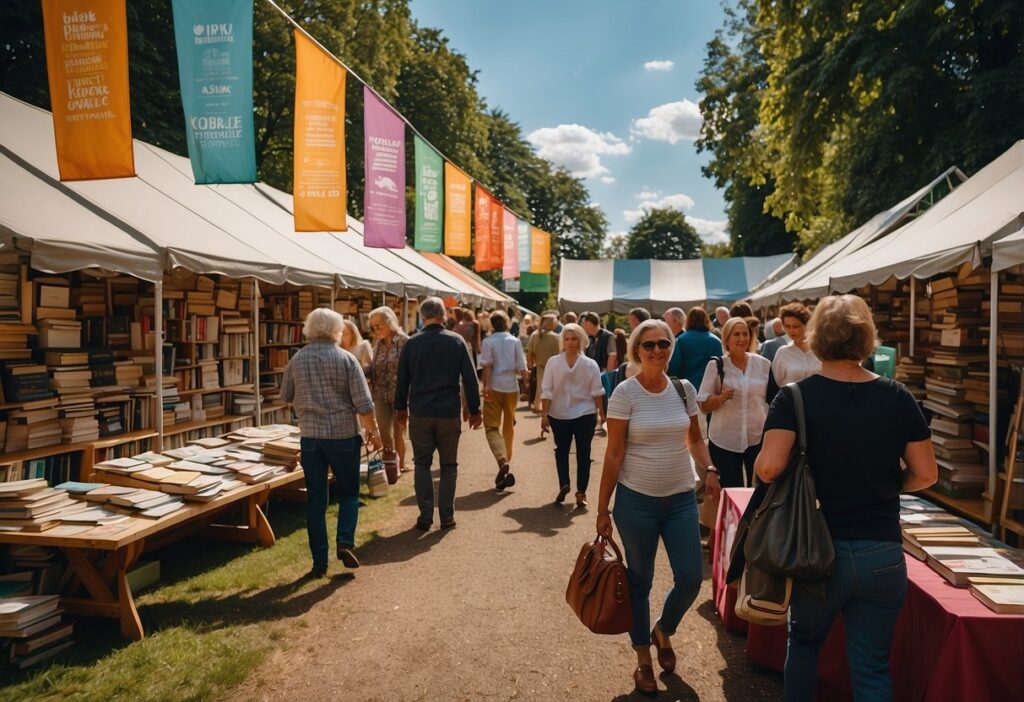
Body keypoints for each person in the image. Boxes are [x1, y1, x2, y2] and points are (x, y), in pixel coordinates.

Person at [754, 294, 937, 701]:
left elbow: (768, 468)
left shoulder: (794, 397)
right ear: (867, 338)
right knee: (872, 667)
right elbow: (926, 474)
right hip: (881, 552)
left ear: (817, 337)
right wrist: (889, 485)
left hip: (815, 549)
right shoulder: (897, 395)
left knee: (803, 646)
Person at [596, 319, 719, 696]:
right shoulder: (625, 393)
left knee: (688, 578)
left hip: (681, 497)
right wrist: (603, 509)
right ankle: (642, 661)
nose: (657, 351)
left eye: (663, 343)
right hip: (636, 502)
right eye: (648, 345)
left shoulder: (683, 389)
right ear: (636, 350)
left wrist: (709, 467)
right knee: (640, 580)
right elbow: (614, 452)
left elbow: (695, 439)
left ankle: (663, 629)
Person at [281, 308, 382, 577]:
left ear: (309, 329)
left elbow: (285, 394)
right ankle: (344, 542)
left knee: (316, 500)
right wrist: (374, 431)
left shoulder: (297, 359)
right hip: (343, 435)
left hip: (311, 437)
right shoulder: (346, 359)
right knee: (349, 492)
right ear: (337, 330)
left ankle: (319, 562)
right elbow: (364, 402)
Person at [396, 297, 482, 531]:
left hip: (421, 411)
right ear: (444, 315)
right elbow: (471, 379)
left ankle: (425, 515)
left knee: (422, 464)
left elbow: (402, 379)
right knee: (449, 466)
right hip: (448, 411)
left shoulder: (412, 343)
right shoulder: (456, 341)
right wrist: (475, 410)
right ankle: (446, 516)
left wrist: (400, 408)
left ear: (423, 317)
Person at [697, 317, 771, 488]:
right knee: (731, 491)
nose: (742, 338)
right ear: (727, 339)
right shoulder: (716, 365)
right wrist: (720, 398)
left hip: (757, 437)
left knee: (759, 490)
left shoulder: (763, 364)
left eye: (745, 334)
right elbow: (703, 404)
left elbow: (774, 399)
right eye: (736, 334)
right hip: (725, 439)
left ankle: (754, 516)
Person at [540, 323, 605, 508]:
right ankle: (565, 485)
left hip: (585, 414)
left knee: (583, 453)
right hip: (559, 415)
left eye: (574, 339)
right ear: (563, 341)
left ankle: (580, 492)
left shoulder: (589, 364)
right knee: (563, 450)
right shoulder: (554, 362)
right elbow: (547, 390)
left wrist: (602, 414)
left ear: (581, 340)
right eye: (567, 339)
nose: (570, 342)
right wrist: (544, 414)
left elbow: (597, 391)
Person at [480, 310, 528, 491]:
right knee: (509, 426)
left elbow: (487, 365)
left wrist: (485, 386)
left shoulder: (488, 341)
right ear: (507, 323)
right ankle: (506, 462)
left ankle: (502, 460)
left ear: (492, 324)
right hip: (511, 387)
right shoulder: (514, 341)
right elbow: (522, 366)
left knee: (492, 426)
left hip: (494, 386)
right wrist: (527, 385)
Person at [368, 306, 410, 474]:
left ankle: (401, 464)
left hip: (400, 395)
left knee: (399, 430)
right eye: (373, 326)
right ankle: (390, 465)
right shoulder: (377, 344)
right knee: (384, 431)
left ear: (390, 322)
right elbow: (373, 367)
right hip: (380, 394)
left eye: (379, 325)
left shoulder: (405, 341)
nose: (376, 329)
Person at [674, 307, 723, 399]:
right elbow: (722, 367)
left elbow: (674, 367)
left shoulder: (681, 340)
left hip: (687, 389)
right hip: (711, 391)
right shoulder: (716, 341)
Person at [773, 302, 822, 386]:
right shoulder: (782, 353)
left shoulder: (820, 349)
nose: (791, 331)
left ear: (806, 325)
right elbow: (778, 382)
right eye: (787, 326)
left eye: (796, 326)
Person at [527, 313, 561, 416]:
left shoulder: (534, 335)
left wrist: (530, 363)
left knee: (541, 387)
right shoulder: (555, 337)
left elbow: (530, 352)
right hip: (554, 367)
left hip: (540, 366)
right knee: (552, 387)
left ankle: (539, 406)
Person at [663, 307, 687, 378]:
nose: (665, 325)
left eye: (666, 321)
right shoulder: (672, 338)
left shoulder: (682, 340)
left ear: (675, 321)